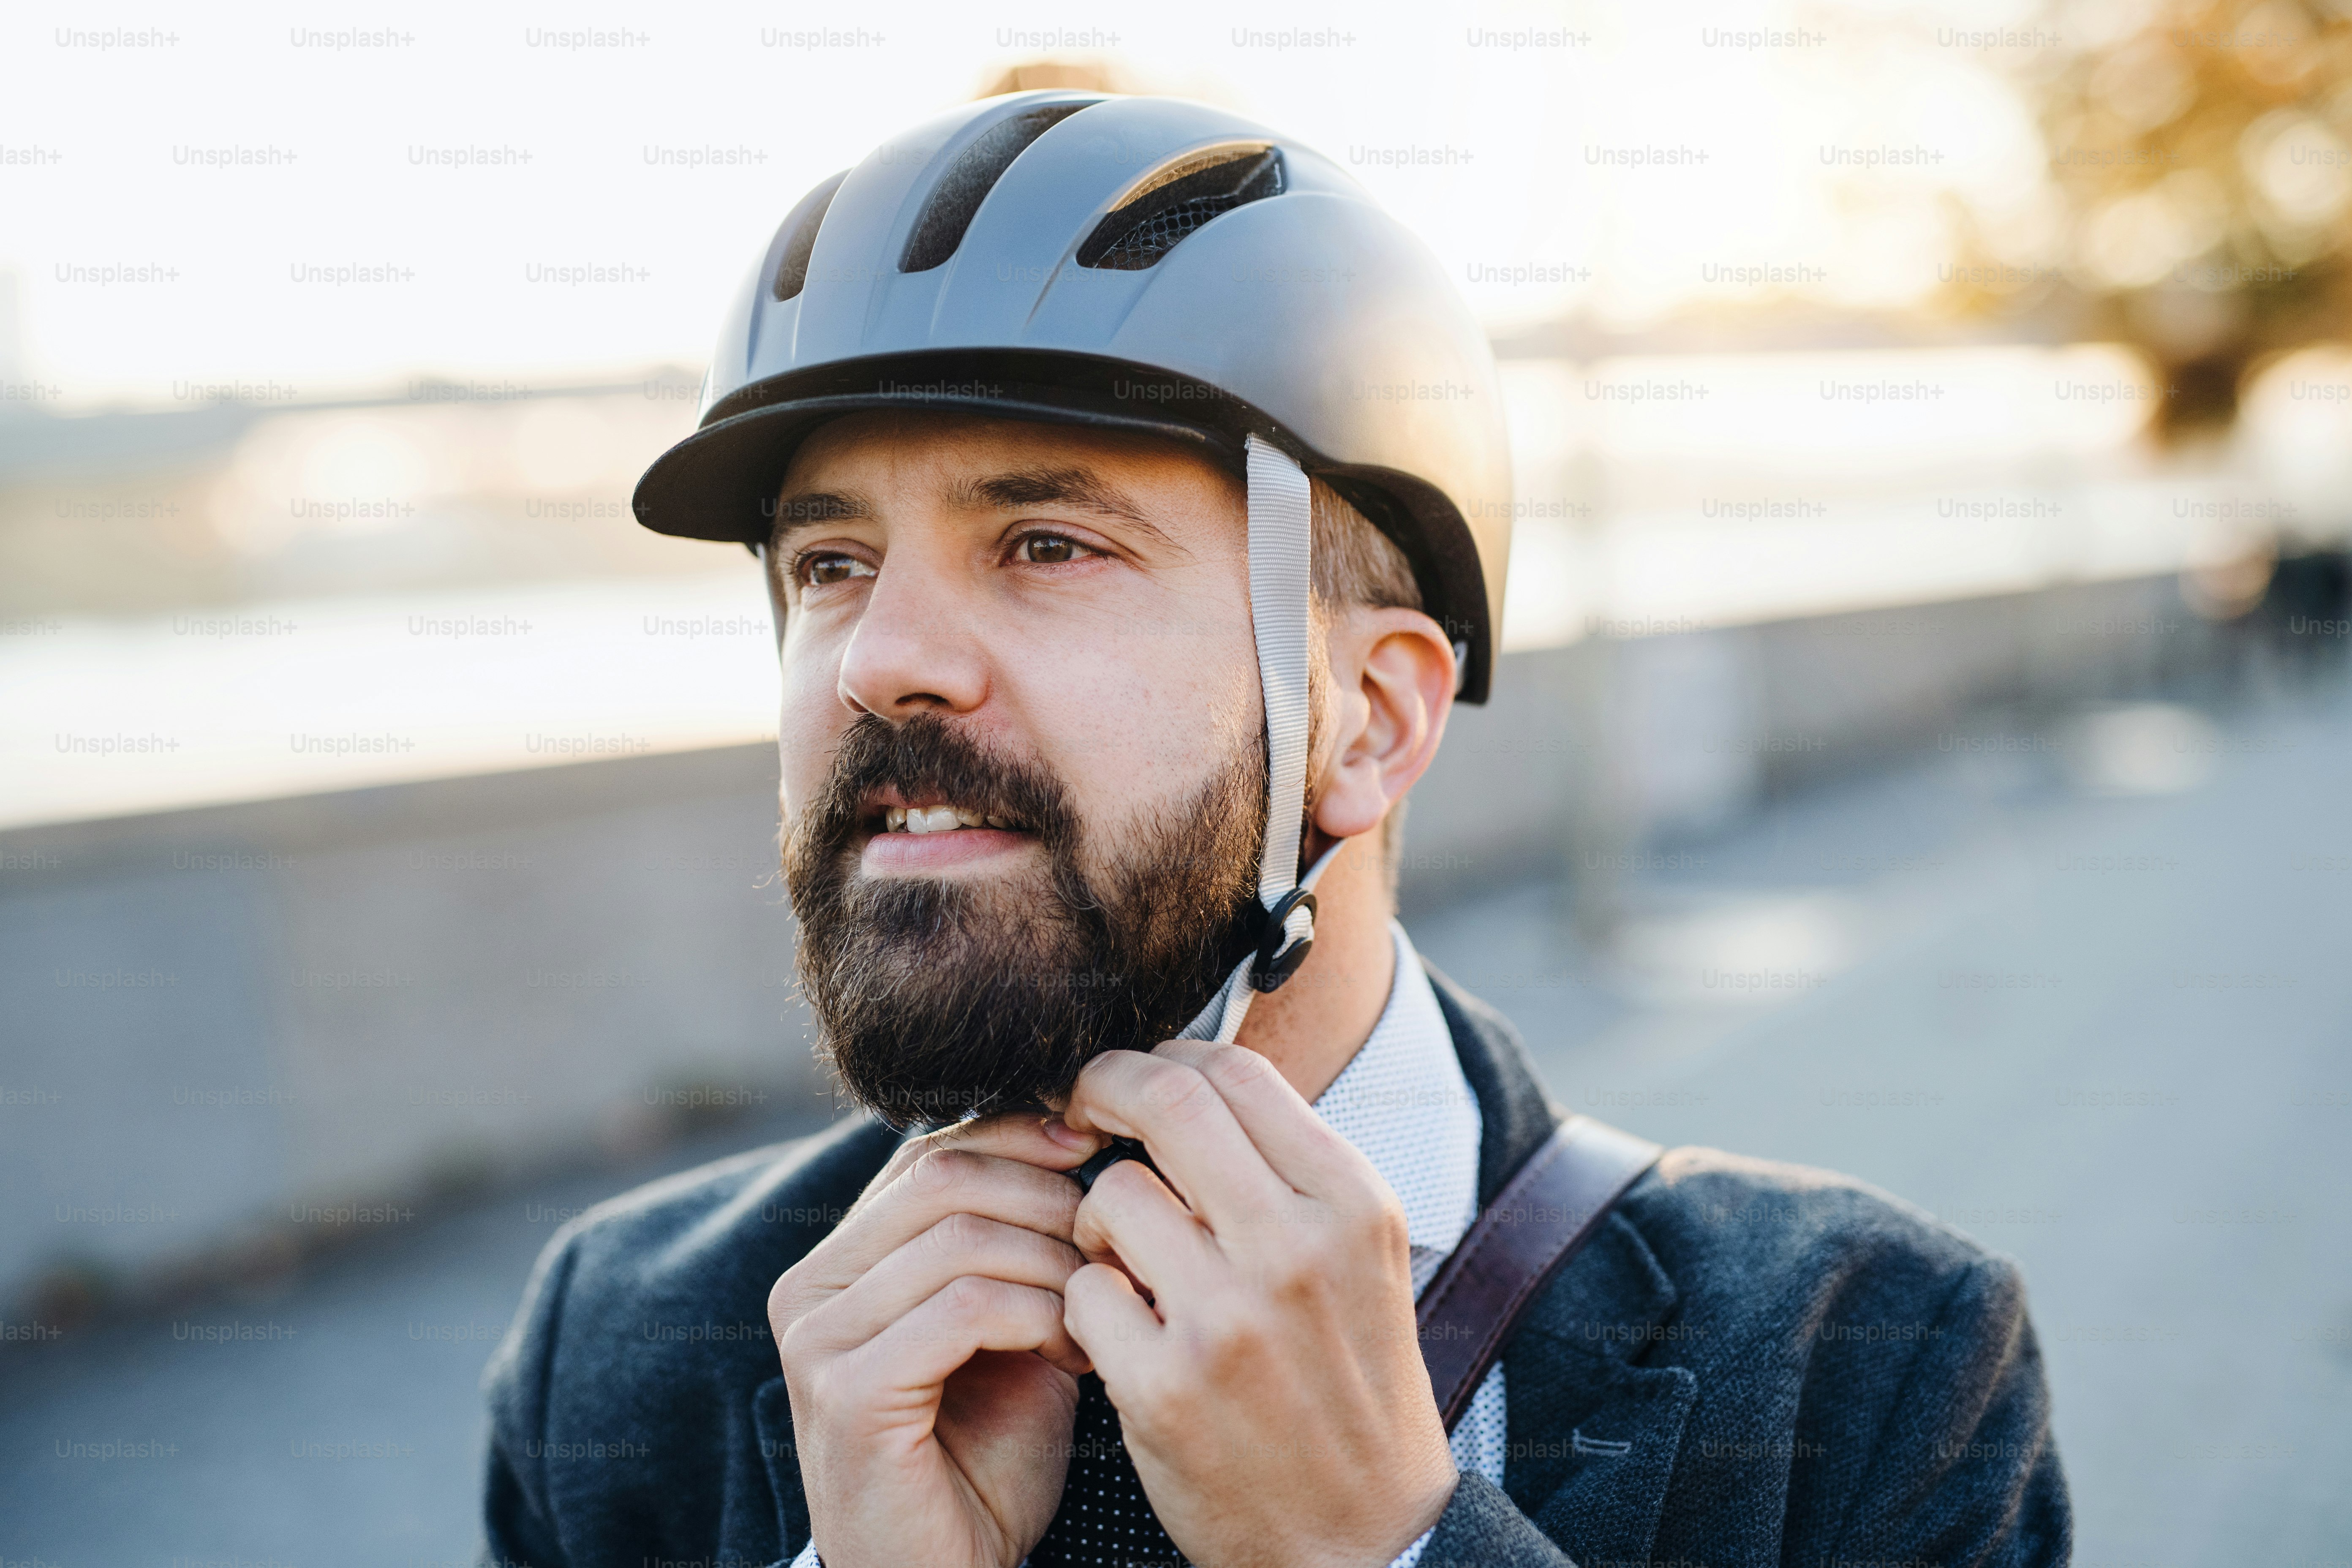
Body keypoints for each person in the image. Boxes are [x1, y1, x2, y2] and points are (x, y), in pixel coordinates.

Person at [482, 92, 2071, 1568]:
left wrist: (1380, 1546)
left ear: (1371, 720)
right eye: (829, 566)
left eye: (1046, 543)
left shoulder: (1870, 1366)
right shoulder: (623, 1347)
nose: (885, 657)